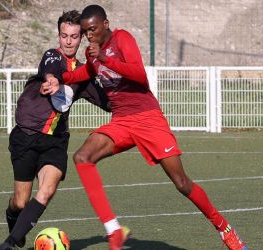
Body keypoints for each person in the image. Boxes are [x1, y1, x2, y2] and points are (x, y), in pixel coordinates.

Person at [41, 4, 247, 250]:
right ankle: (113, 229)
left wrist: (106, 58)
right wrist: (58, 78)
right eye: (85, 32)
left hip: (149, 119)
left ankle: (225, 230)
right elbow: (86, 72)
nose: (89, 36)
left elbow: (140, 75)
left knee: (182, 183)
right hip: (122, 121)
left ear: (106, 24)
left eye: (92, 30)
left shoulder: (122, 38)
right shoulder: (92, 53)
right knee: (83, 156)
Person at [0, 10, 110, 250]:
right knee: (20, 201)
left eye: (74, 36)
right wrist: (53, 80)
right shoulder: (52, 56)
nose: (68, 41)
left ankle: (7, 244)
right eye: (64, 35)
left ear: (81, 39)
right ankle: (12, 217)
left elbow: (107, 102)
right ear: (58, 36)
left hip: (55, 142)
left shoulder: (84, 73)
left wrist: (127, 91)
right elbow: (51, 69)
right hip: (26, 136)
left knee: (46, 192)